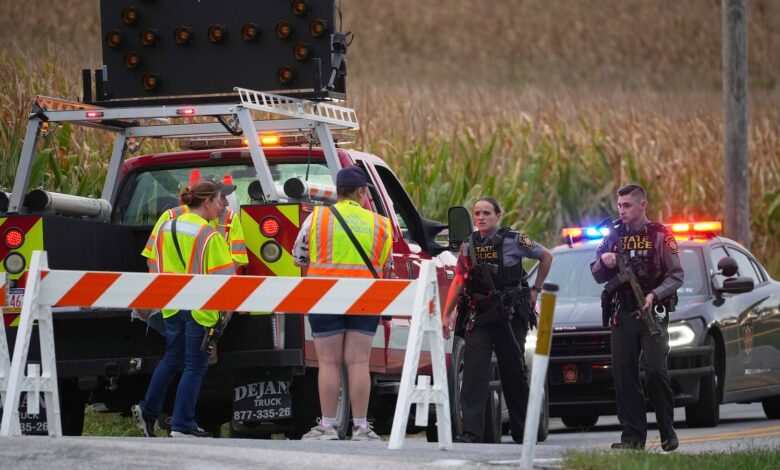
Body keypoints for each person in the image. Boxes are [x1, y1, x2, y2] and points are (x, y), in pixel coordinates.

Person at [292, 165, 393, 441]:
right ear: (360, 191)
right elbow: (386, 263)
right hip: (366, 297)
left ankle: (327, 426)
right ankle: (360, 427)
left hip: (325, 295)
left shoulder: (317, 217)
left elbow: (298, 256)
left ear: (338, 192)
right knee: (359, 362)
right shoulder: (380, 223)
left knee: (328, 362)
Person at [442, 197, 553, 444]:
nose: (481, 217)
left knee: (513, 371)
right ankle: (471, 433)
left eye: (486, 213)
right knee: (473, 373)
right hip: (480, 315)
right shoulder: (468, 245)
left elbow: (546, 256)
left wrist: (535, 290)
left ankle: (524, 432)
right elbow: (459, 280)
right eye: (477, 213)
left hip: (509, 315)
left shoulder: (514, 239)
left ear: (498, 216)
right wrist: (446, 314)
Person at [131, 179, 235, 438]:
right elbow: (227, 281)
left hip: (171, 307)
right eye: (218, 201)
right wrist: (223, 317)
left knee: (172, 359)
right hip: (201, 310)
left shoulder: (166, 227)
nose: (221, 207)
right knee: (195, 366)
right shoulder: (209, 235)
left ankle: (148, 410)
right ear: (207, 202)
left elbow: (153, 265)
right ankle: (182, 424)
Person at [590, 184, 683, 452]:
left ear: (643, 205)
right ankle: (632, 439)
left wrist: (654, 294)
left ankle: (667, 431)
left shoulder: (661, 235)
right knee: (624, 376)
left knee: (655, 371)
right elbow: (596, 274)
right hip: (622, 314)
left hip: (653, 314)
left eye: (627, 205)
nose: (622, 210)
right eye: (619, 205)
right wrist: (604, 260)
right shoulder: (612, 235)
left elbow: (676, 275)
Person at [134, 174, 246, 335]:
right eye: (221, 197)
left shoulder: (230, 218)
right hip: (171, 295)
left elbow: (234, 264)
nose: (226, 203)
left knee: (189, 338)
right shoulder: (171, 216)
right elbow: (152, 262)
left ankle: (203, 342)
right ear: (207, 201)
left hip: (207, 294)